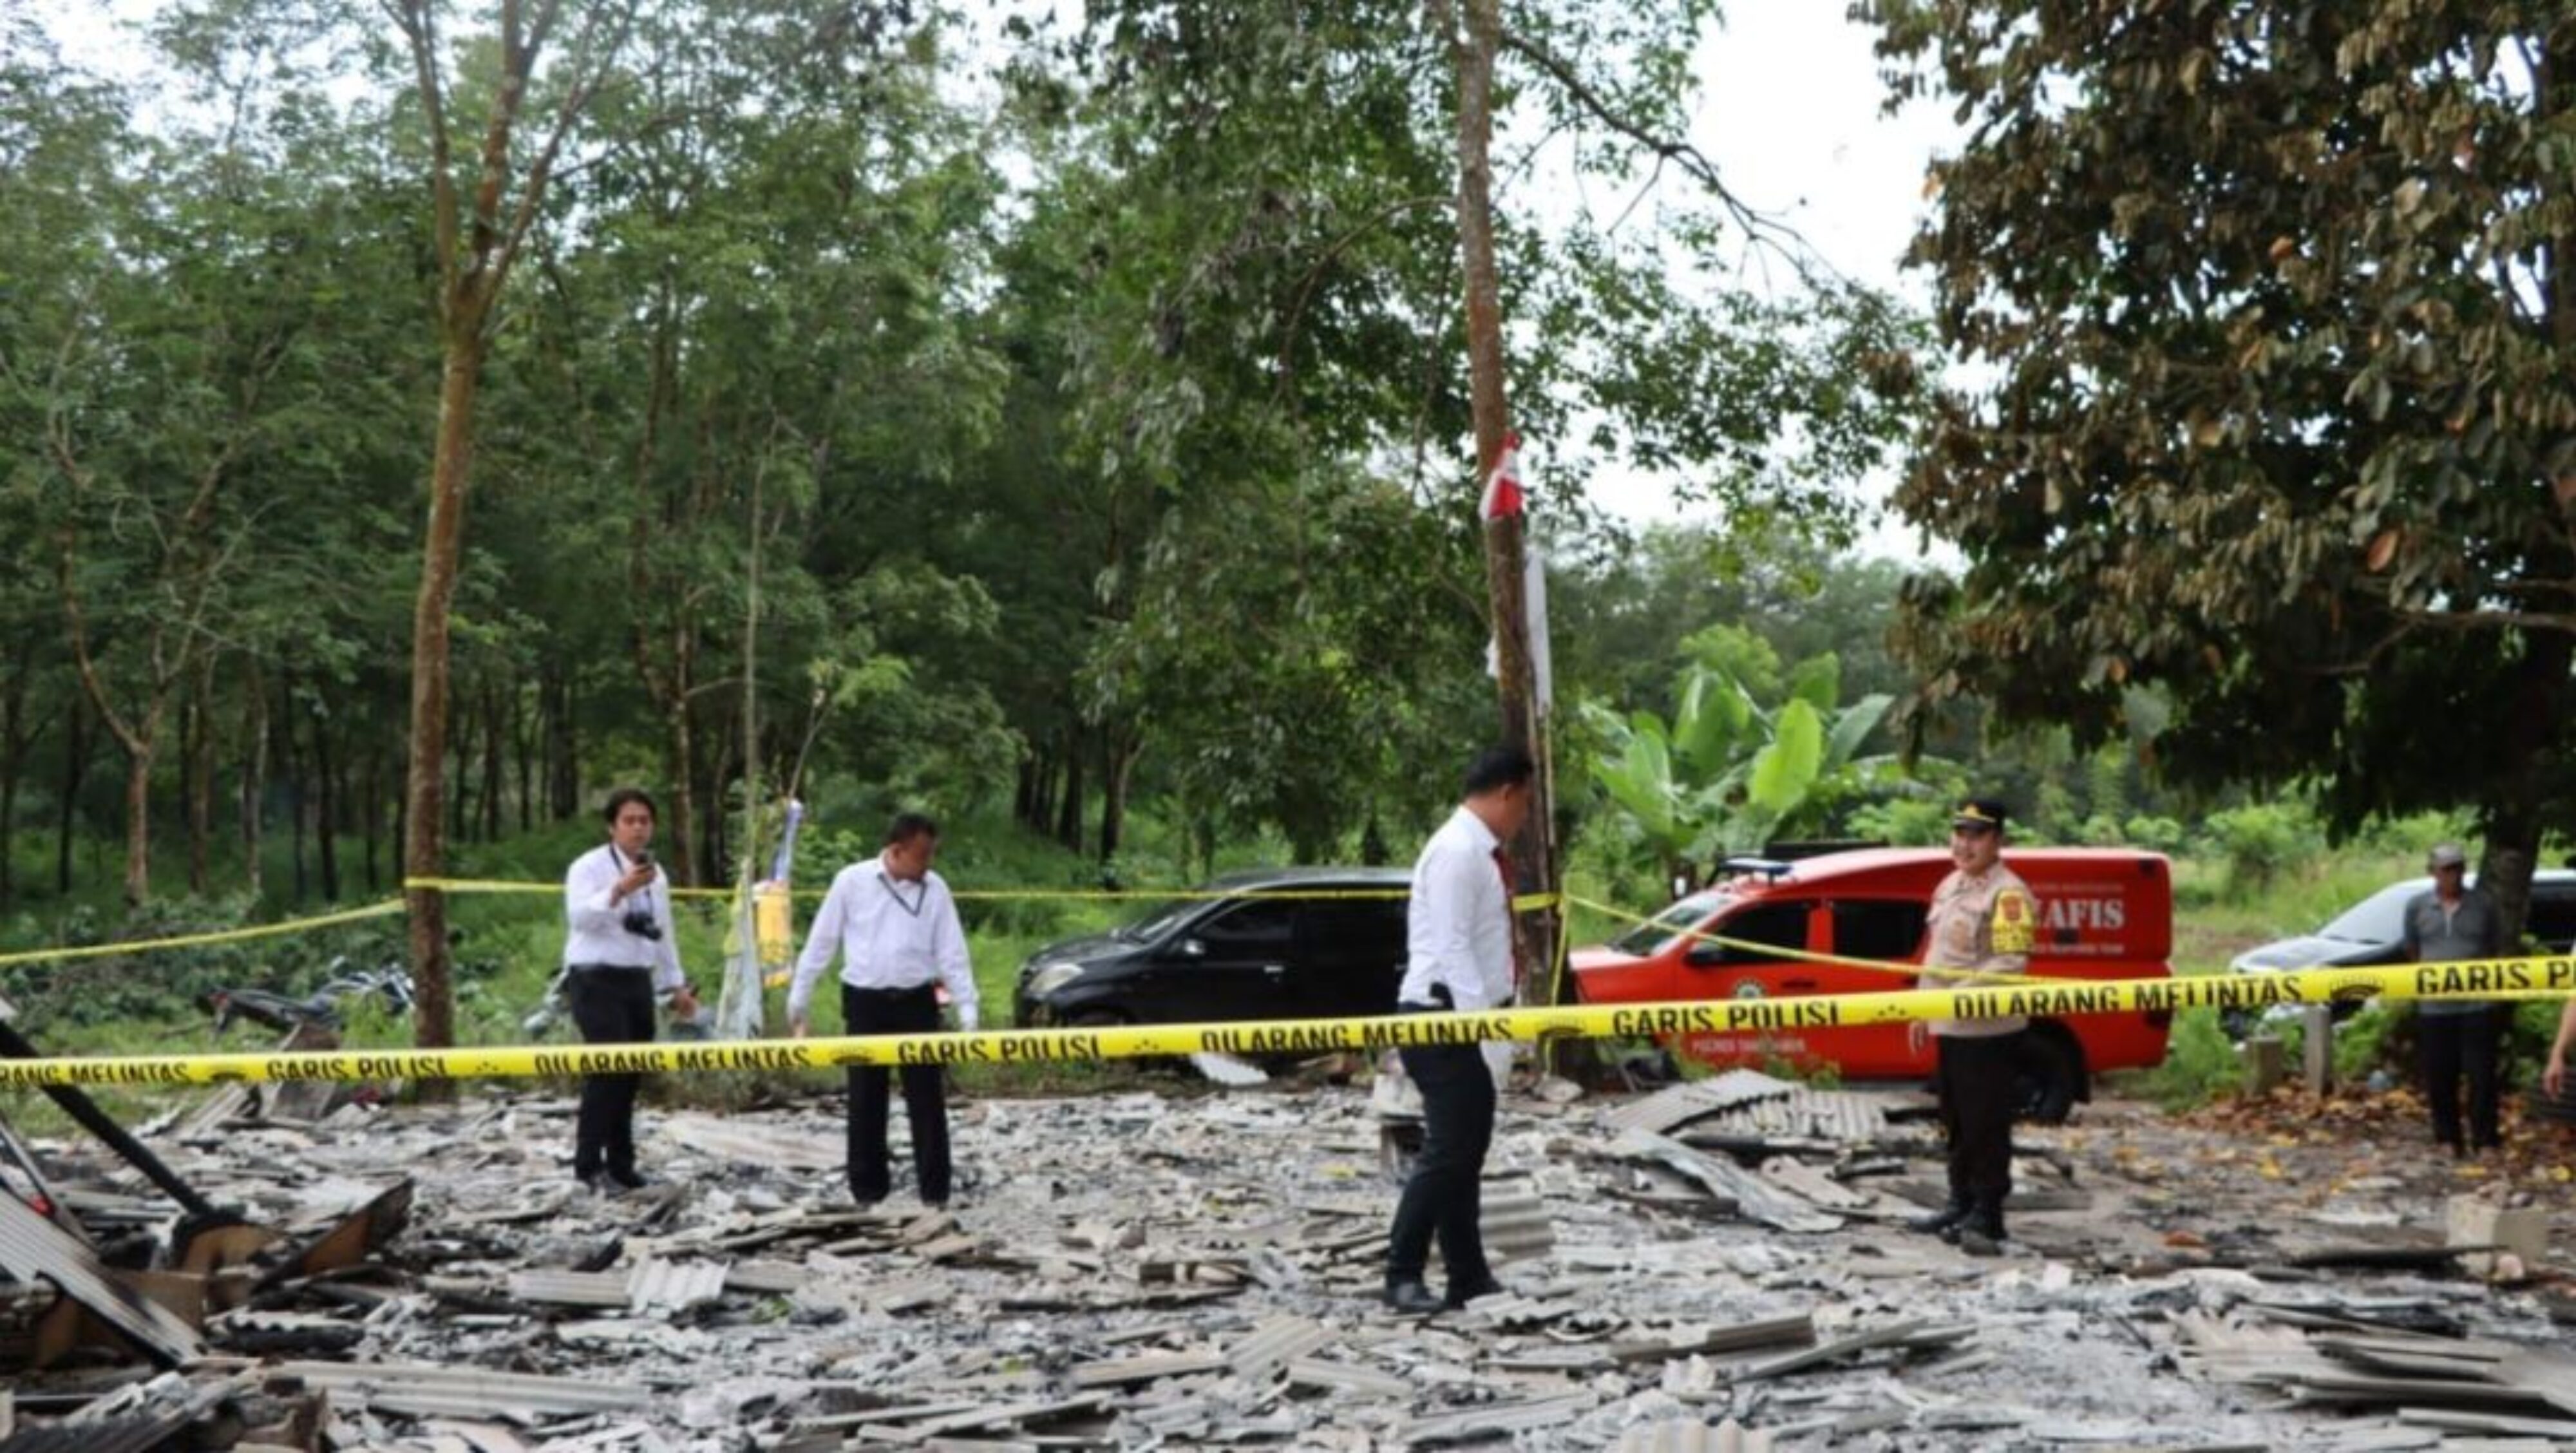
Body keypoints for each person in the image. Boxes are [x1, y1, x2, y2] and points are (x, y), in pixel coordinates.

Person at [1383, 745, 1535, 1315]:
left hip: (1464, 1016)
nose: (1524, 818)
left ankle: (1467, 1273)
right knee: (1449, 1152)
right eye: (1524, 805)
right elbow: (1450, 945)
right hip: (1445, 1019)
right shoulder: (1457, 852)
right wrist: (1482, 1026)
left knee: (1465, 1151)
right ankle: (1401, 1272)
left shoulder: (1477, 850)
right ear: (1506, 793)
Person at [788, 812, 980, 1207]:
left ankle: (935, 1193)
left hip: (917, 1003)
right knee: (865, 1099)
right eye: (921, 855)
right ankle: (868, 1192)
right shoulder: (851, 882)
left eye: (931, 855)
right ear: (896, 850)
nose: (928, 864)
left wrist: (968, 1010)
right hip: (865, 1002)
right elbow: (822, 941)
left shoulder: (936, 890)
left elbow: (952, 952)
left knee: (927, 1099)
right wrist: (799, 996)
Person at [1906, 797, 2036, 1255]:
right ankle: (1960, 1202)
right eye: (1959, 834)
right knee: (1955, 1122)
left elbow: (2008, 962)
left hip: (1987, 1032)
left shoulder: (2009, 894)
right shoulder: (1951, 885)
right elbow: (1936, 955)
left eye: (1976, 836)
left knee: (1986, 1124)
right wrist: (1925, 1007)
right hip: (1949, 1026)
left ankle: (1989, 1214)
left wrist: (1954, 996)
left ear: (1997, 840)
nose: (1965, 844)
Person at [561, 787, 697, 1192]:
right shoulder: (588, 868)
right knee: (607, 1072)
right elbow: (580, 918)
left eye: (645, 821)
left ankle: (622, 1163)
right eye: (630, 821)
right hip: (594, 976)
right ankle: (588, 1165)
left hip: (636, 978)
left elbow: (663, 934)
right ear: (612, 827)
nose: (638, 829)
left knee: (632, 1073)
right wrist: (620, 889)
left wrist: (676, 985)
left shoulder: (658, 877)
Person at [2403, 842, 2507, 1156]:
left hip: (2477, 1004)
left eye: (2459, 868)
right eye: (2447, 869)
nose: (2454, 875)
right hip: (2435, 1008)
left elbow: (2494, 949)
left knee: (2482, 1075)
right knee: (2440, 1075)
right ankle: (2448, 1138)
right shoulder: (2417, 907)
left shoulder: (2483, 905)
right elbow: (2413, 951)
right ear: (2433, 872)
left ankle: (2485, 1139)